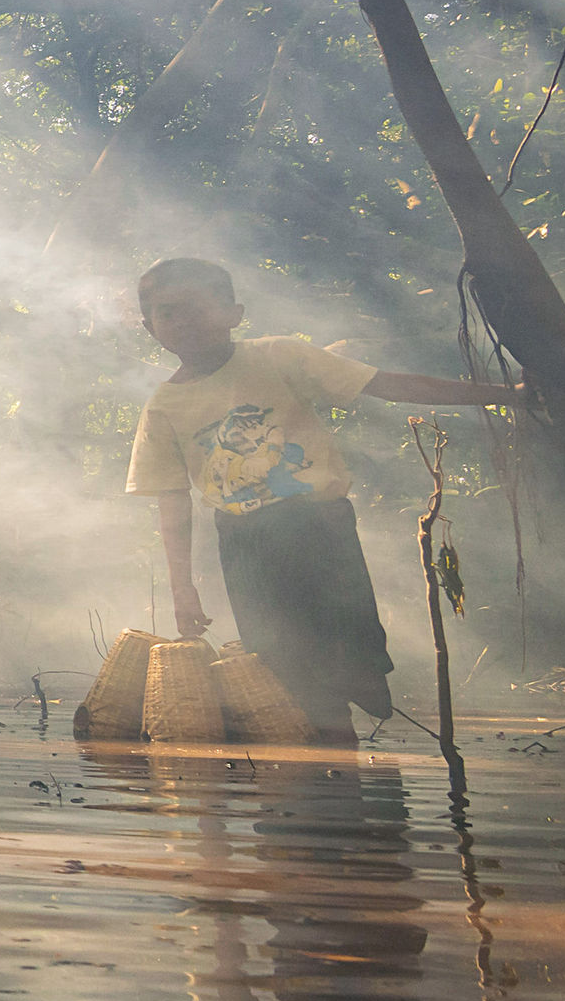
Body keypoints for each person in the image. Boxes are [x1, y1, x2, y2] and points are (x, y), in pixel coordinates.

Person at [125, 256, 526, 745]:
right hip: (244, 542)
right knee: (279, 665)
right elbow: (172, 503)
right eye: (169, 312)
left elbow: (388, 385)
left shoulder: (280, 356)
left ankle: (357, 699)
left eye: (197, 307)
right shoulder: (163, 408)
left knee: (350, 652)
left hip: (316, 523)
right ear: (151, 328)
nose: (184, 321)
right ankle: (324, 772)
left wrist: (506, 394)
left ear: (234, 312)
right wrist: (182, 587)